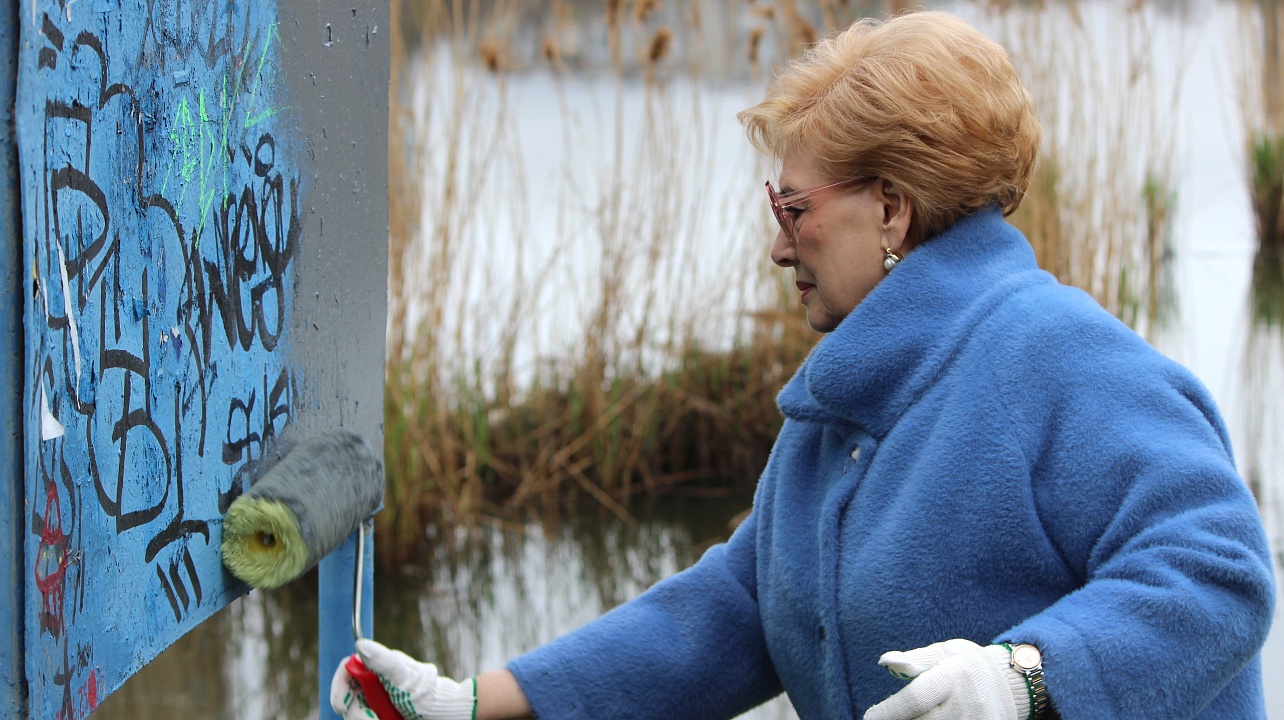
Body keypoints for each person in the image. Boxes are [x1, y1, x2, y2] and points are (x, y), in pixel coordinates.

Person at [331, 10, 1277, 720]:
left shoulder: (1062, 360)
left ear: (893, 211)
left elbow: (1218, 572)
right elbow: (738, 607)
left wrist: (1027, 681)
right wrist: (475, 703)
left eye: (795, 209)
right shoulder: (845, 408)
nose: (778, 247)